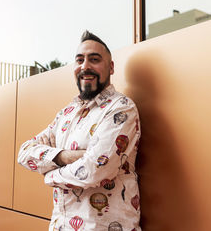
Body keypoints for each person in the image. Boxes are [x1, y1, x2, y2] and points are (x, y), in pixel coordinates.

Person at [18, 31, 141, 231]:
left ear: (110, 67)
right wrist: (63, 156)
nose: (85, 66)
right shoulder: (66, 113)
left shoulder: (121, 108)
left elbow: (95, 170)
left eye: (94, 59)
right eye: (79, 60)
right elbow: (24, 152)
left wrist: (50, 176)